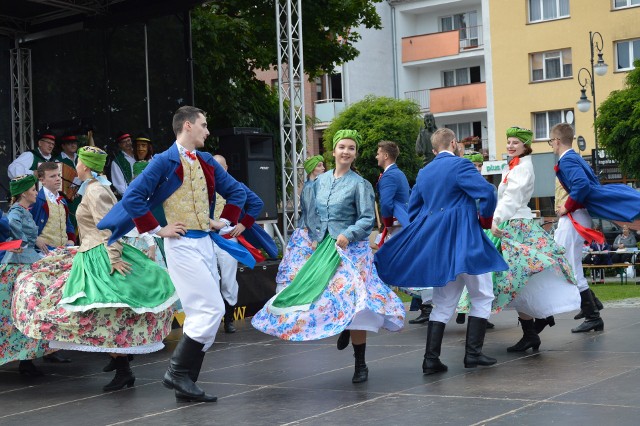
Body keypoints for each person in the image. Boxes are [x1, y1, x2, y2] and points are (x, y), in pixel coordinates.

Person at [98, 105, 249, 403]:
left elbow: (238, 193)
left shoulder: (206, 160)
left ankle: (186, 381)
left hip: (206, 241)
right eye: (204, 125)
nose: (207, 131)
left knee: (200, 314)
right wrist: (157, 229)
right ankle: (177, 372)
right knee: (212, 310)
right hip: (181, 245)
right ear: (188, 126)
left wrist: (225, 221)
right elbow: (133, 197)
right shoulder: (163, 161)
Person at [12, 146, 177, 392]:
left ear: (85, 166)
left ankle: (122, 368)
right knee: (99, 313)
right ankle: (119, 363)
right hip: (89, 254)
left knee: (102, 313)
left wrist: (113, 257)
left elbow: (109, 227)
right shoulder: (93, 187)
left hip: (98, 255)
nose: (73, 166)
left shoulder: (96, 190)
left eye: (78, 162)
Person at [252, 130, 405, 384]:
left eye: (351, 148)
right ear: (333, 151)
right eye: (342, 147)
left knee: (356, 304)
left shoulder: (360, 184)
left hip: (352, 250)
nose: (346, 152)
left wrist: (349, 233)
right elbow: (310, 213)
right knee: (317, 294)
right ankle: (343, 325)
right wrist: (313, 237)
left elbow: (367, 218)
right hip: (324, 249)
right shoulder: (318, 183)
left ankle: (360, 363)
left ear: (355, 154)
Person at [375, 128, 508, 375]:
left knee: (443, 302)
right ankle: (472, 354)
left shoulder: (425, 173)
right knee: (482, 294)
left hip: (440, 244)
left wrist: (427, 230)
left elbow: (414, 209)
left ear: (435, 149)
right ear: (455, 143)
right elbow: (487, 192)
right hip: (466, 240)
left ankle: (430, 359)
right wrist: (486, 222)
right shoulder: (461, 165)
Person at [487, 127, 579, 352]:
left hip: (515, 225)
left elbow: (511, 199)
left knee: (514, 280)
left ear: (525, 146)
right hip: (513, 223)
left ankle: (536, 324)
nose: (510, 146)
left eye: (515, 142)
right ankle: (534, 328)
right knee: (519, 282)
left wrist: (496, 219)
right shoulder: (516, 166)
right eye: (508, 142)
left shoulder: (522, 168)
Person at [550, 122, 640, 332]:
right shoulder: (574, 158)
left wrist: (566, 206)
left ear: (556, 141)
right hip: (578, 216)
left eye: (551, 141)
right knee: (569, 264)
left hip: (575, 216)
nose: (551, 145)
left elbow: (581, 185)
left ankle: (592, 313)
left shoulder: (567, 160)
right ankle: (591, 304)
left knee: (567, 264)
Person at [0, 175, 50, 376]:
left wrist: (34, 240)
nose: (36, 193)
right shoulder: (16, 212)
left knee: (26, 313)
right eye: (33, 190)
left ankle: (27, 358)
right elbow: (13, 232)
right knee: (20, 313)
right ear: (23, 193)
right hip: (17, 266)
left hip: (27, 262)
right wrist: (21, 242)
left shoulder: (23, 211)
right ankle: (24, 360)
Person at [212, 154, 266, 334]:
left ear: (226, 168)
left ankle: (229, 318)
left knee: (228, 281)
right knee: (209, 279)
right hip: (206, 239)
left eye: (220, 167)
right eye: (213, 167)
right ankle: (210, 320)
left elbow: (257, 203)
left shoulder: (236, 187)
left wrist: (243, 225)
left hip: (227, 240)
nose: (217, 170)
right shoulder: (203, 188)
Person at [274, 155, 324, 294]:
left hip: (310, 231)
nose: (323, 168)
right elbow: (310, 213)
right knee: (300, 268)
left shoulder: (315, 186)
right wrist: (315, 237)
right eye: (320, 165)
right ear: (312, 169)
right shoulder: (310, 188)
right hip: (308, 232)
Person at [31, 162, 76, 252]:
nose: (58, 179)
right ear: (42, 180)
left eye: (58, 175)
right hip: (43, 253)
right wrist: (35, 239)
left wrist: (71, 239)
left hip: (64, 251)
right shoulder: (37, 200)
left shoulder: (62, 200)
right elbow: (23, 225)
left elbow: (67, 223)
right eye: (52, 176)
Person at [110, 131, 136, 197]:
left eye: (128, 140)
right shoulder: (117, 162)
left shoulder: (140, 154)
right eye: (124, 142)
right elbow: (119, 185)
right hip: (131, 196)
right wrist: (130, 196)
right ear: (120, 145)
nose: (127, 143)